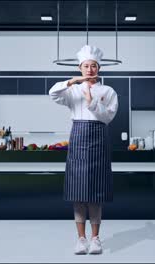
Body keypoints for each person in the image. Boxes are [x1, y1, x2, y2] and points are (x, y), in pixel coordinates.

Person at [48, 45, 119, 254]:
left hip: (99, 139)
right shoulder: (72, 90)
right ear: (80, 68)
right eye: (86, 66)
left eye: (93, 66)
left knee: (95, 194)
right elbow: (53, 93)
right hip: (78, 139)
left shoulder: (108, 91)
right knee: (78, 194)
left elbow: (108, 117)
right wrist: (72, 82)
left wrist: (91, 102)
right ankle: (81, 239)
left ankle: (95, 239)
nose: (90, 69)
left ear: (99, 68)